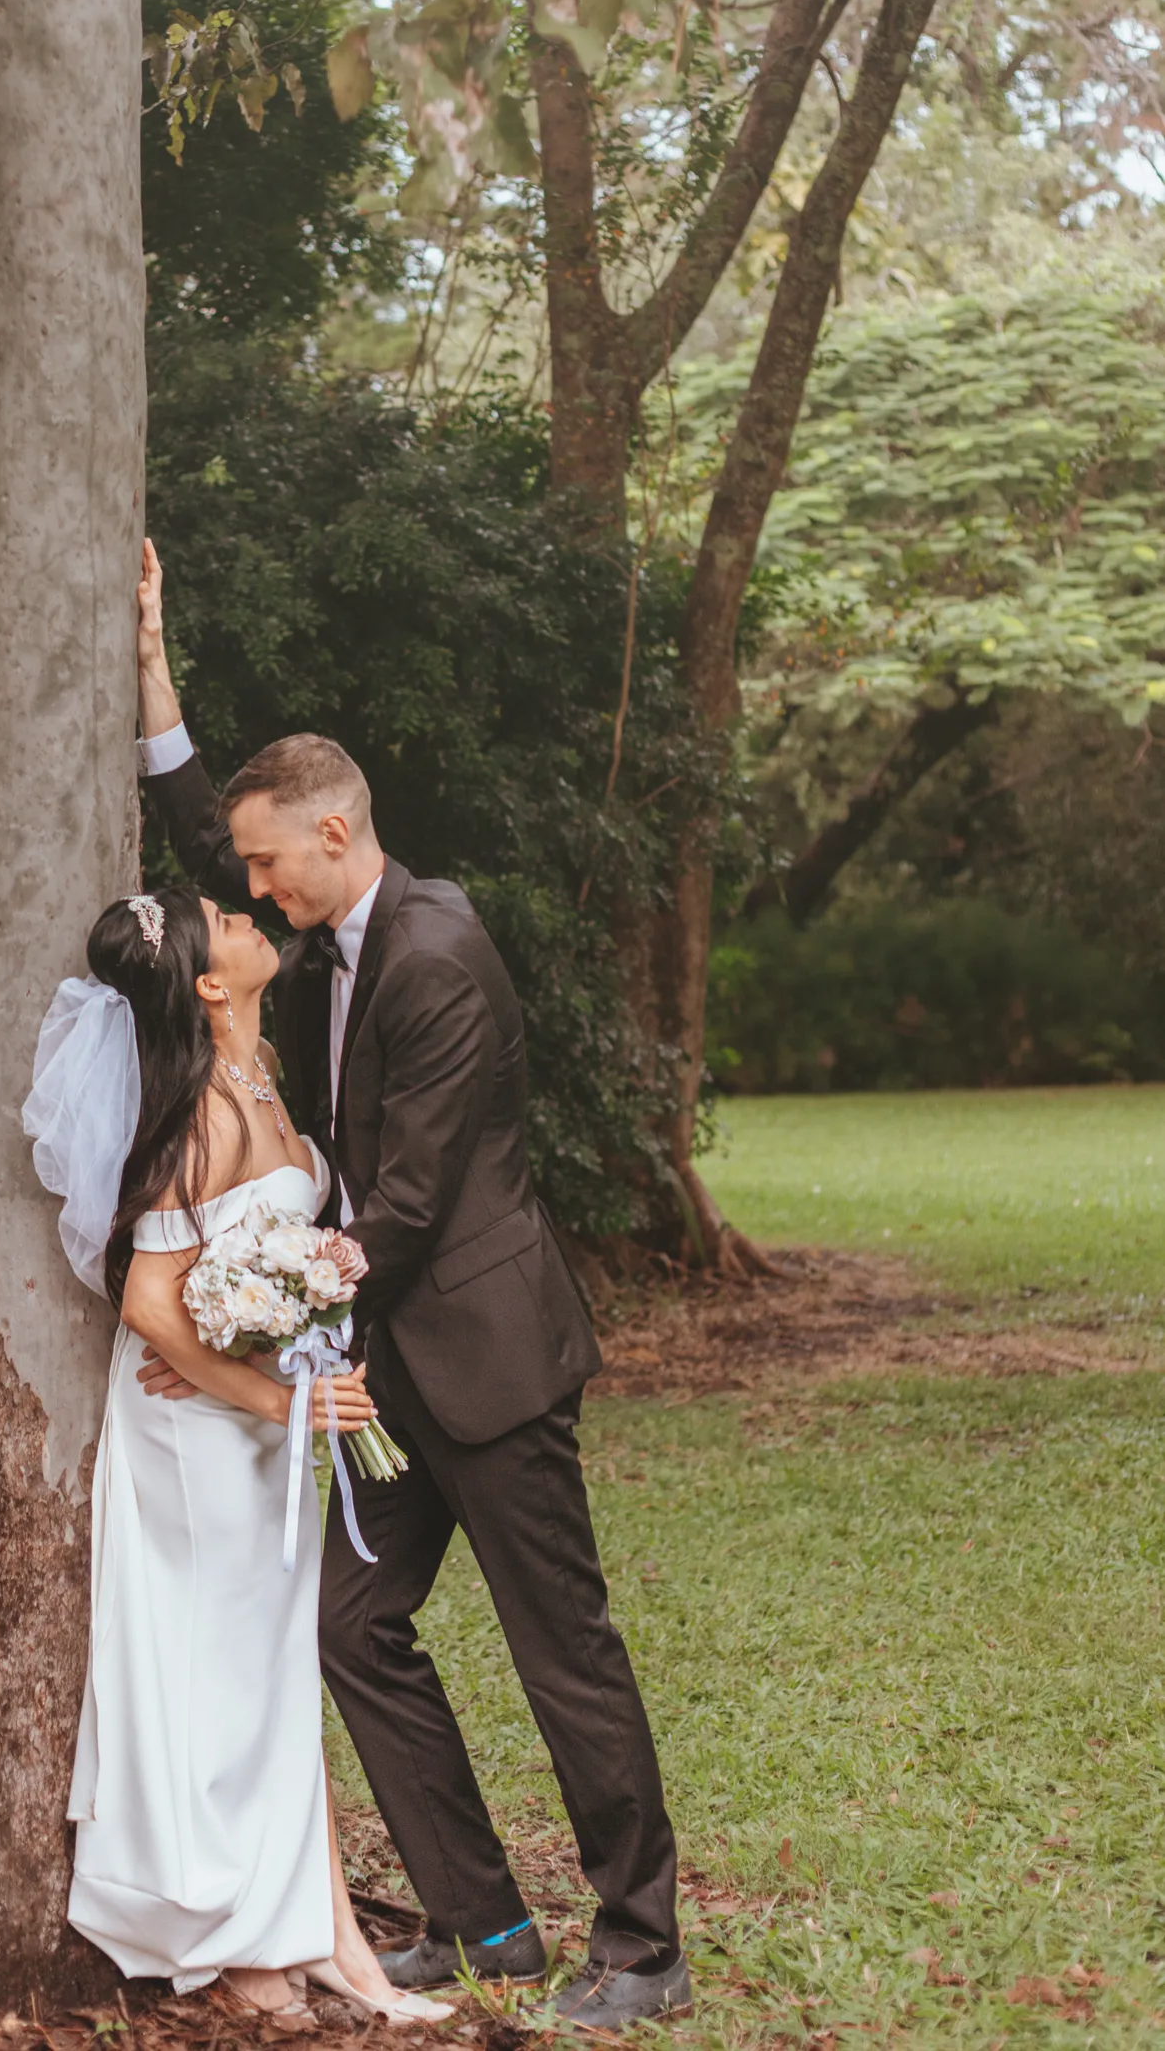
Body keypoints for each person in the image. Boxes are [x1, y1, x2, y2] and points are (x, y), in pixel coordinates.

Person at [131, 538, 691, 2030]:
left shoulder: (435, 953)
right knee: (351, 1630)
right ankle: (488, 1926)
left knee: (558, 1651)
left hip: (484, 1360)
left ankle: (643, 1946)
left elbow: (415, 1208)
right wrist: (151, 684)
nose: (248, 887)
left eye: (266, 864)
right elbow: (203, 867)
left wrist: (251, 1310)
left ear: (330, 831)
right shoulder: (328, 929)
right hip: (381, 1371)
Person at [22, 882, 453, 2028]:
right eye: (227, 919)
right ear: (209, 984)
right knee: (211, 1674)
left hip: (260, 1419)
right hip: (196, 1433)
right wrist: (276, 1395)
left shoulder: (260, 1076)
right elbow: (153, 1307)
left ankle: (314, 1931)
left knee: (267, 1676)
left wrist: (296, 1350)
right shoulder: (196, 1117)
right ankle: (224, 1928)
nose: (252, 914)